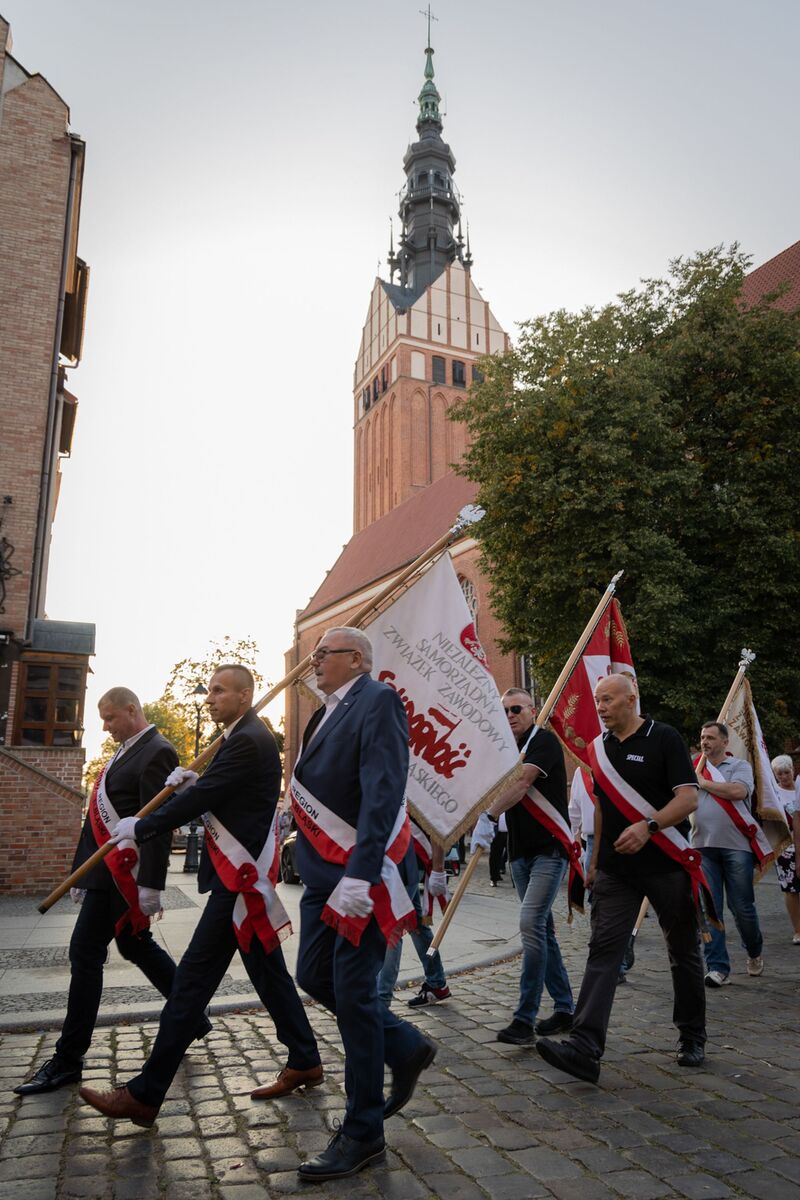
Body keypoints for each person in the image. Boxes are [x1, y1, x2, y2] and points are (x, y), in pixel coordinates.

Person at [78, 665, 322, 1126]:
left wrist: (145, 824)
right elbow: (219, 792)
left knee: (189, 985)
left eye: (218, 691)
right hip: (236, 880)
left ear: (245, 696)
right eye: (208, 691)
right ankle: (305, 1057)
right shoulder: (241, 735)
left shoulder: (248, 737)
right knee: (268, 974)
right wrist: (192, 786)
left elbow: (208, 793)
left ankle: (145, 1094)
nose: (208, 699)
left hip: (238, 882)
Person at [290, 627, 436, 1183]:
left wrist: (363, 869)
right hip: (324, 876)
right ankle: (404, 1043)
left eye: (322, 653)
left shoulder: (377, 699)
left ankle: (363, 1132)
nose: (314, 661)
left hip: (359, 876)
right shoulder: (325, 710)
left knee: (353, 993)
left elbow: (384, 788)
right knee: (313, 975)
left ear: (355, 659)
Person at [14, 687, 189, 1097]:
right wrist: (81, 875)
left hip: (123, 879)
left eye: (110, 718)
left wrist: (151, 886)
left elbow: (159, 822)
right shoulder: (124, 752)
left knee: (84, 954)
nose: (105, 726)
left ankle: (69, 1059)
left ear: (131, 710)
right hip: (105, 875)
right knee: (136, 946)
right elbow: (97, 817)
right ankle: (191, 1018)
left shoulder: (157, 750)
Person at [537, 673, 708, 1083]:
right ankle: (584, 1047)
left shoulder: (663, 737)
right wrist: (594, 860)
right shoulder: (599, 749)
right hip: (616, 871)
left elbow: (688, 797)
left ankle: (691, 1034)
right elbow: (600, 806)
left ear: (632, 699)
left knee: (682, 950)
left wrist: (648, 826)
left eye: (608, 699)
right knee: (603, 951)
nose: (600, 706)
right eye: (598, 700)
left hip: (667, 866)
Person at [471, 689, 579, 1045]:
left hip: (548, 849)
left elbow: (523, 782)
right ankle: (565, 1009)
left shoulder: (544, 741)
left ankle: (524, 1017)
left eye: (516, 709)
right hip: (519, 852)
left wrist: (489, 814)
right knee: (543, 931)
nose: (510, 715)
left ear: (533, 711)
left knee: (530, 924)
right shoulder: (505, 751)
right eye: (504, 711)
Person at [692, 721, 764, 986]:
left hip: (736, 846)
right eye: (702, 737)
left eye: (711, 737)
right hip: (702, 846)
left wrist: (703, 783)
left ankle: (754, 950)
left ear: (724, 742)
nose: (705, 742)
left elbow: (738, 791)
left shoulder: (739, 767)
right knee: (711, 909)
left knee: (742, 907)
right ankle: (717, 967)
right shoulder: (694, 765)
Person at [378, 828, 451, 1008]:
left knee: (392, 927)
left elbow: (435, 822)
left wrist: (438, 867)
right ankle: (437, 983)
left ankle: (380, 1001)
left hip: (403, 860)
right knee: (416, 926)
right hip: (400, 858)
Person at [770, 755, 800, 944]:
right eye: (779, 773)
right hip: (786, 848)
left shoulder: (799, 789)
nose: (784, 777)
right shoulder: (774, 795)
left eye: (786, 772)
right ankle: (798, 929)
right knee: (791, 889)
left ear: (793, 771)